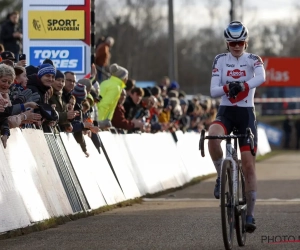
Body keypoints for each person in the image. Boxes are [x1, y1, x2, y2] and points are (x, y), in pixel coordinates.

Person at [208, 21, 266, 233]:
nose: (236, 46)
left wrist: (243, 84)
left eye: (240, 42)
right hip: (226, 111)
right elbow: (213, 91)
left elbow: (262, 77)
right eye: (232, 43)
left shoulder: (253, 59)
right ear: (227, 43)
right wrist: (227, 87)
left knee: (248, 165)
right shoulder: (220, 60)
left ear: (246, 41)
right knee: (212, 137)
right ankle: (220, 175)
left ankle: (250, 214)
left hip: (246, 114)